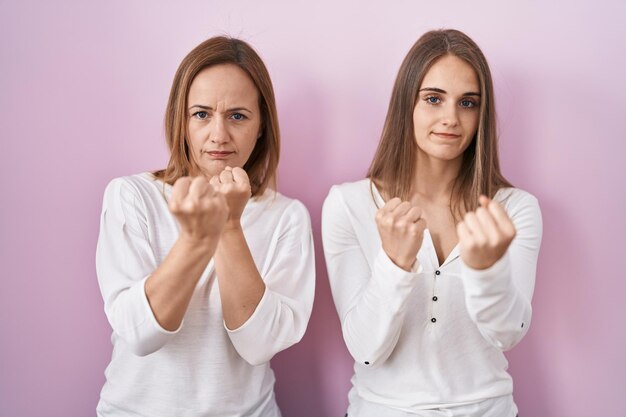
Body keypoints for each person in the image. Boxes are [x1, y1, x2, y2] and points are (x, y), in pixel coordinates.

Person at [322, 29, 542, 417]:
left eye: (468, 103)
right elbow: (365, 349)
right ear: (407, 102)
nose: (451, 119)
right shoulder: (349, 204)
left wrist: (486, 269)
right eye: (434, 98)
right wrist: (393, 264)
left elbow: (506, 334)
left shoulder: (515, 209)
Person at [96, 36, 315, 417]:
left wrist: (229, 225)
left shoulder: (287, 216)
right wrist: (198, 238)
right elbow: (139, 334)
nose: (218, 135)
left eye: (237, 116)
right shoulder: (131, 196)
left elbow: (259, 345)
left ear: (261, 126)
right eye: (201, 114)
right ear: (181, 121)